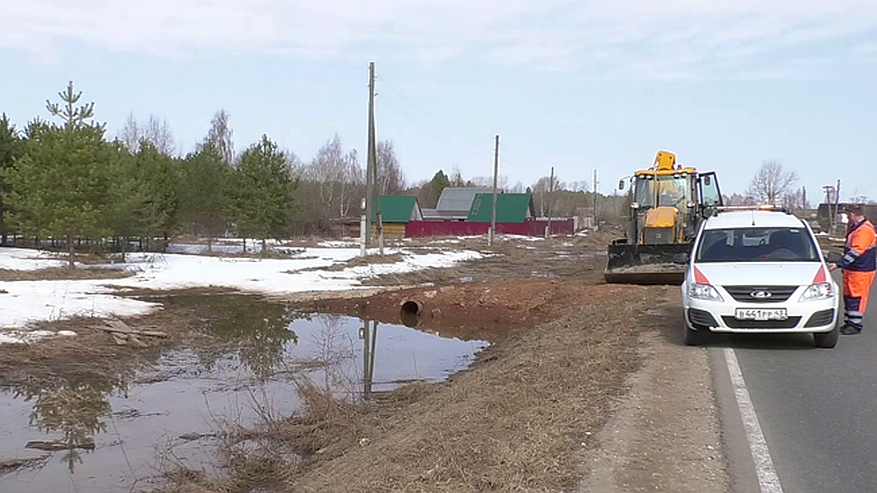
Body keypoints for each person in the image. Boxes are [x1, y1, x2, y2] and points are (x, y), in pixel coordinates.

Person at [828, 204, 877, 335]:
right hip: (853, 269)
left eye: (848, 215)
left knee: (857, 297)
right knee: (849, 297)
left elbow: (856, 252)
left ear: (852, 215)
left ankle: (855, 325)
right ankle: (849, 322)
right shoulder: (857, 228)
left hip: (861, 270)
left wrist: (839, 264)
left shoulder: (864, 230)